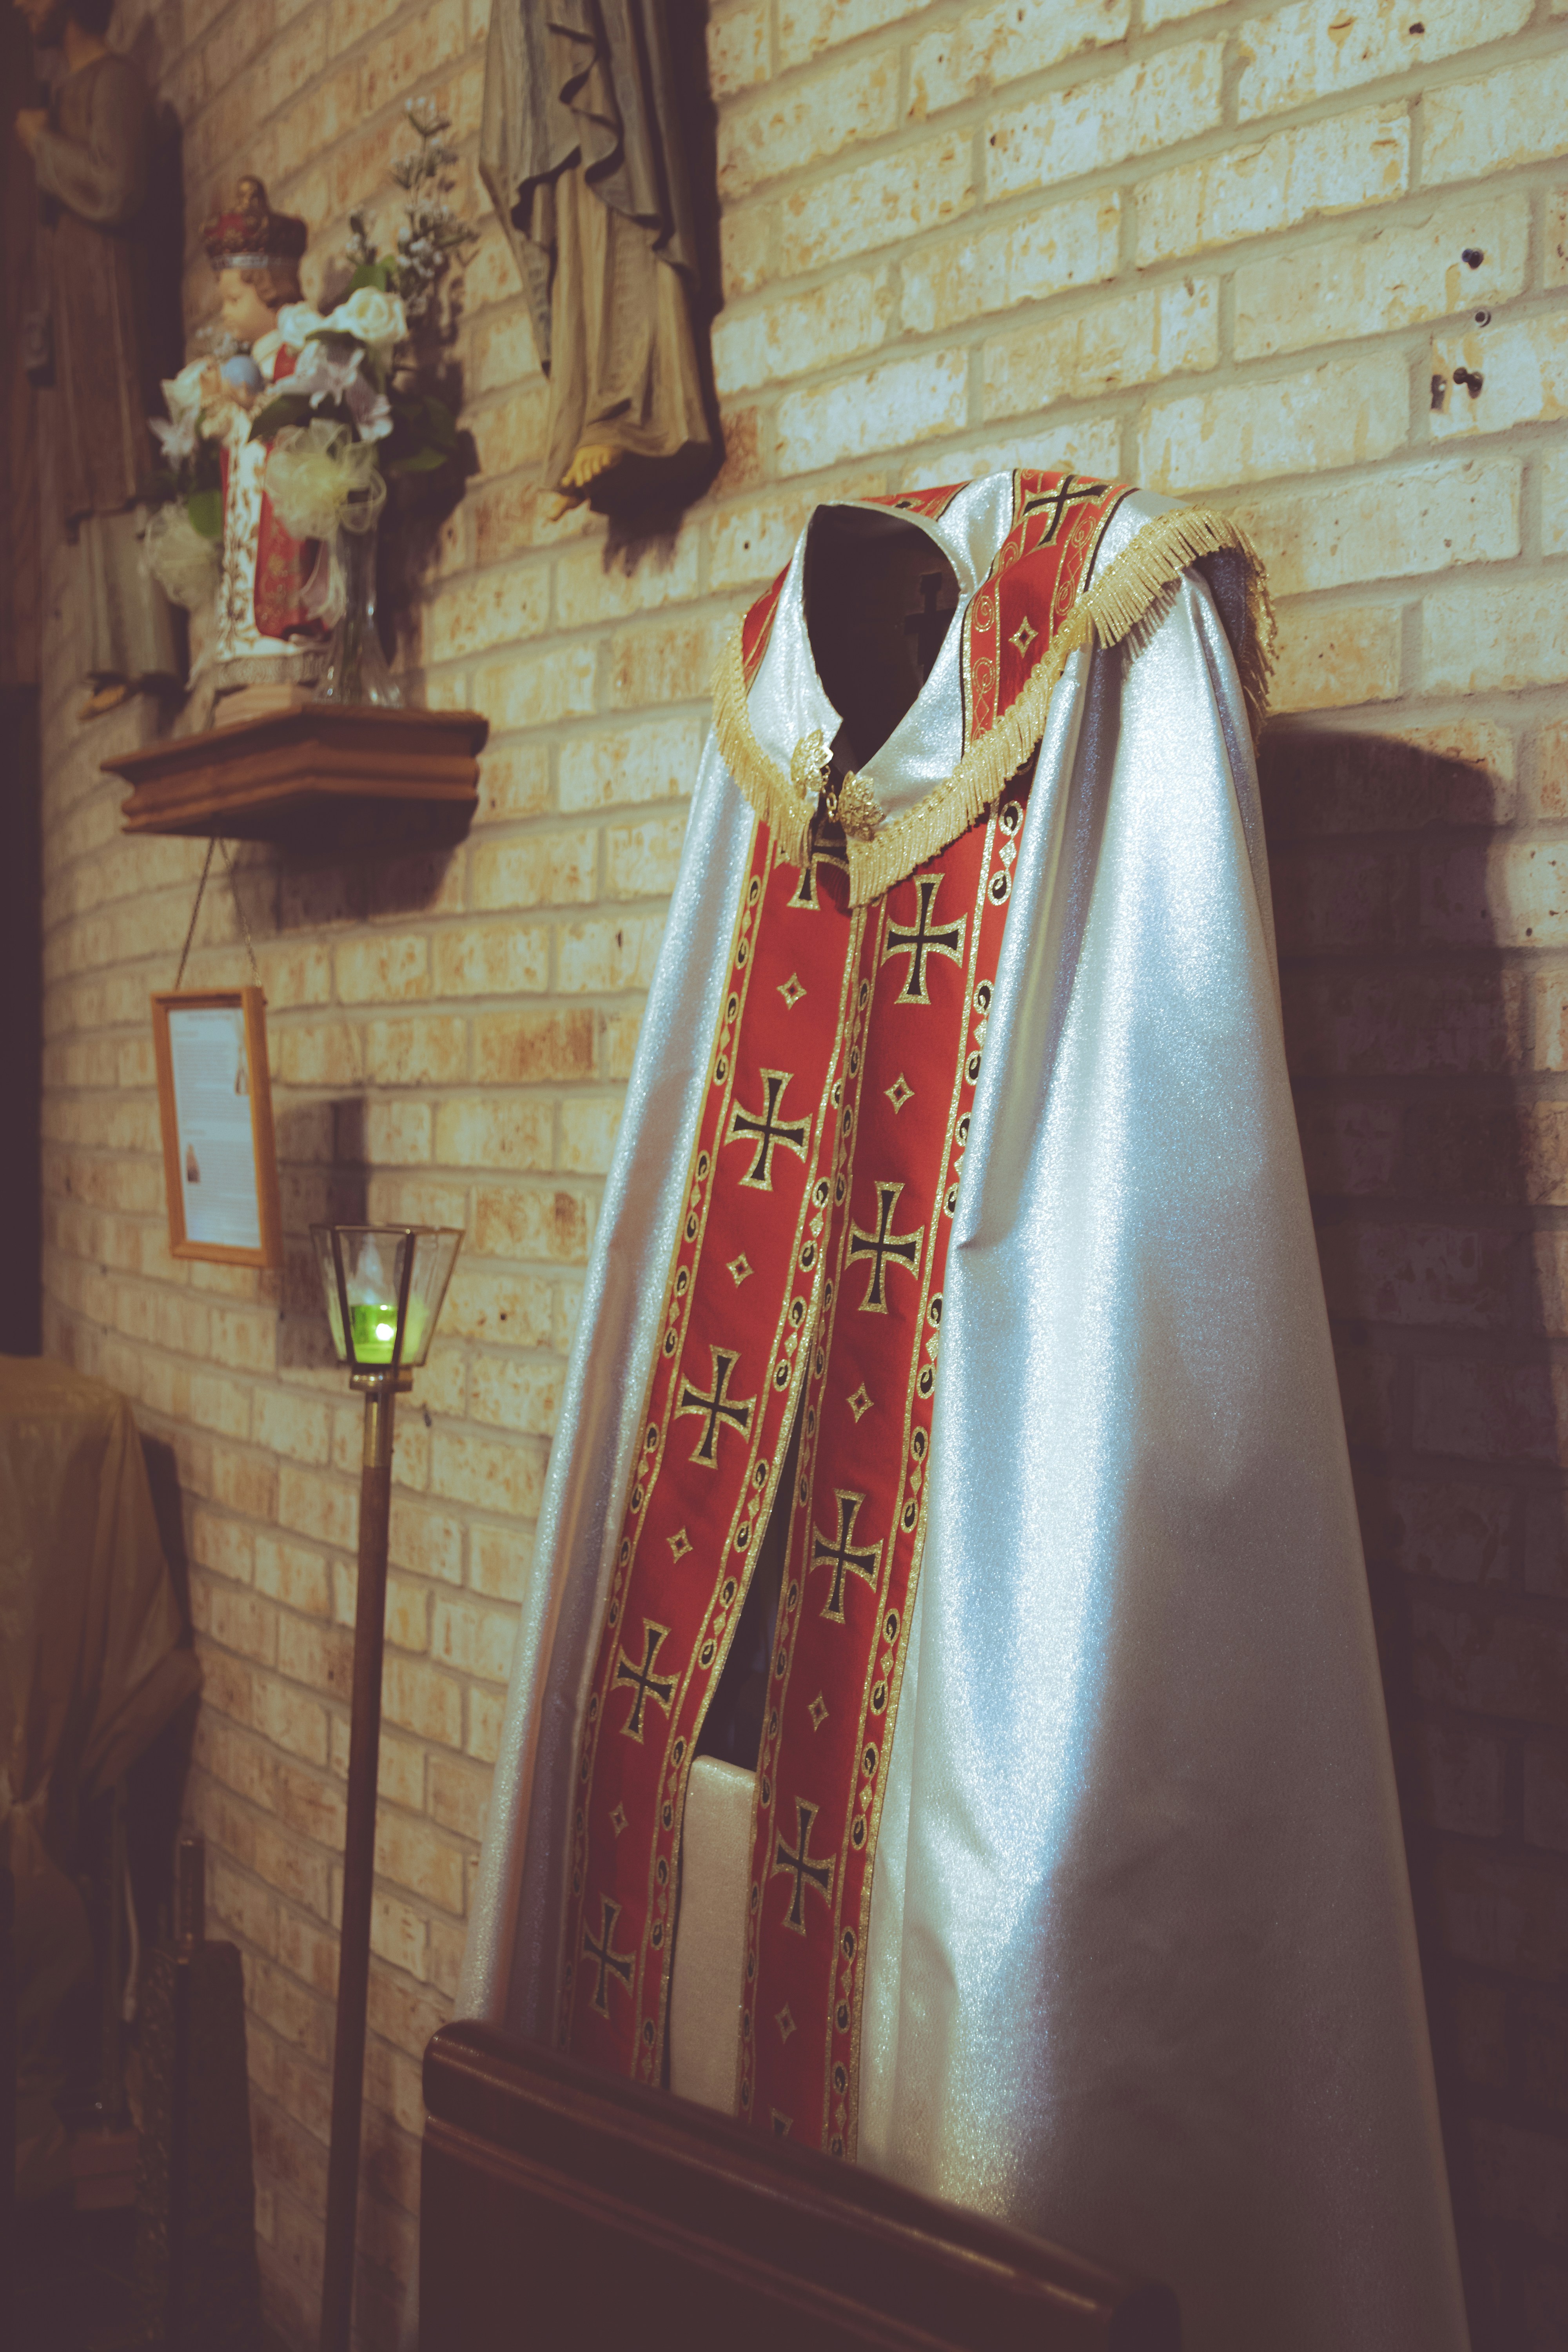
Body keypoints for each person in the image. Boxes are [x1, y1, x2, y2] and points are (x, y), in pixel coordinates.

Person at [12, 0, 179, 720]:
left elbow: (118, 188)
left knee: (122, 464)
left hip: (113, 312)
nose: (21, 8)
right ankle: (110, 652)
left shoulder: (116, 82)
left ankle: (149, 648)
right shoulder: (64, 94)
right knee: (90, 477)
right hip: (80, 321)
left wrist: (43, 145)